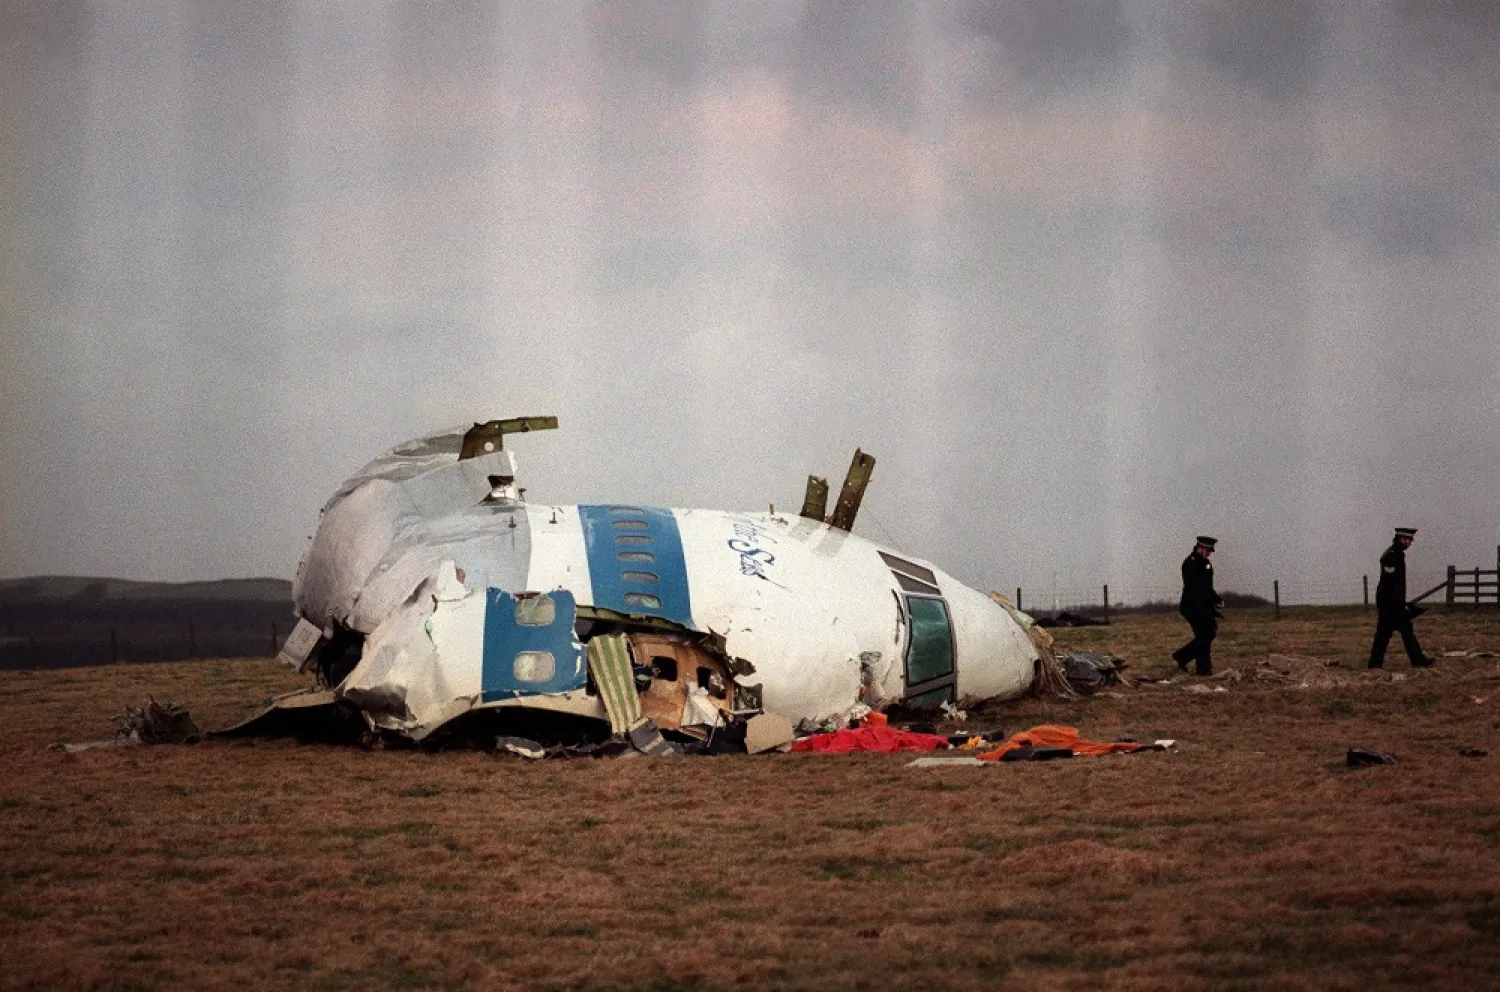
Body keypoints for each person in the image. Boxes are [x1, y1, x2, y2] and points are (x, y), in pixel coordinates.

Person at [1368, 527, 1433, 669]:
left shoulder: (1397, 554)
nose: (1410, 543)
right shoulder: (1391, 556)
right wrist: (1398, 605)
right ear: (1402, 539)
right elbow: (1390, 585)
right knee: (1385, 634)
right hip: (1389, 604)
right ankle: (1376, 664)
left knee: (1401, 632)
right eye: (1409, 540)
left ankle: (1417, 661)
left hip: (1393, 604)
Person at [1172, 536, 1223, 676]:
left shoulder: (1206, 563)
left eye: (1210, 551)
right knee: (1206, 635)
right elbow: (1193, 589)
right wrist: (1202, 611)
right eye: (1207, 550)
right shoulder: (1190, 563)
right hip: (1192, 607)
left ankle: (1202, 669)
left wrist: (1216, 599)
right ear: (1199, 548)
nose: (1209, 553)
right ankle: (1186, 658)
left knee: (1204, 636)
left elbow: (1207, 587)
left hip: (1203, 606)